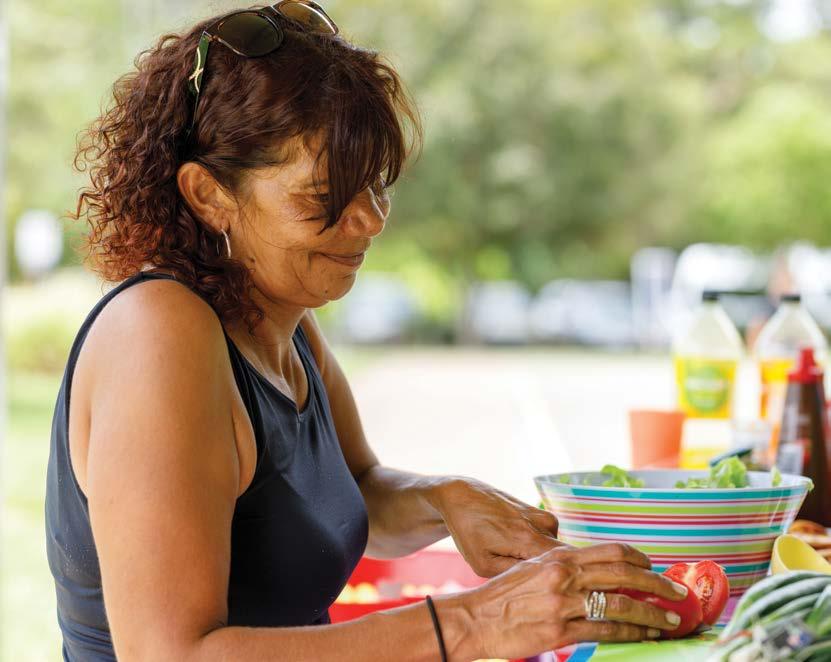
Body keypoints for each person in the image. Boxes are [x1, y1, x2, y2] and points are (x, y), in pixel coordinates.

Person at [45, 3, 689, 660]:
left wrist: (443, 501)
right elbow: (171, 653)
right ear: (210, 196)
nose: (372, 219)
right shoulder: (158, 331)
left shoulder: (283, 323)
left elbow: (346, 494)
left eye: (376, 183)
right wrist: (477, 621)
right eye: (324, 196)